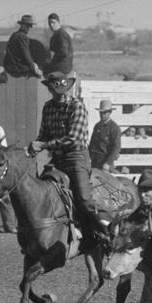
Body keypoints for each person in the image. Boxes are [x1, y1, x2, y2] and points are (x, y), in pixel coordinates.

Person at [29, 70, 109, 247]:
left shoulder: (76, 106)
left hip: (76, 158)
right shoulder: (48, 107)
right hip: (57, 160)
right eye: (54, 88)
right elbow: (43, 134)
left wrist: (43, 145)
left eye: (62, 88)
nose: (58, 92)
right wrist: (34, 145)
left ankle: (104, 234)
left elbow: (73, 138)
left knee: (85, 200)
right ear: (50, 89)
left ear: (66, 88)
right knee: (42, 192)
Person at [88, 99, 122, 171]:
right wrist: (88, 157)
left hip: (105, 163)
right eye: (101, 112)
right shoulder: (97, 126)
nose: (102, 115)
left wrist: (107, 163)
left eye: (105, 112)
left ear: (110, 112)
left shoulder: (114, 128)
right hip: (95, 162)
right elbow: (91, 144)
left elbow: (116, 148)